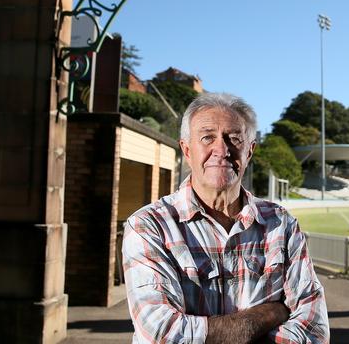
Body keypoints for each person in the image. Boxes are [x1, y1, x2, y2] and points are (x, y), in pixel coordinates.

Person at [122, 92, 329, 343]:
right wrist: (272, 312)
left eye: (234, 138)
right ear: (187, 150)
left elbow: (313, 329)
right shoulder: (149, 226)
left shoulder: (281, 225)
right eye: (208, 137)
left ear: (249, 151)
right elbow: (162, 334)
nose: (221, 149)